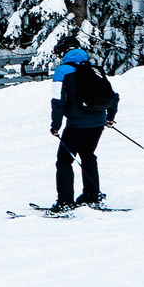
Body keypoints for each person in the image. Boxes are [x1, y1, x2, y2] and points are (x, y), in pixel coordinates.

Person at [50, 46, 120, 209]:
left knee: (64, 161)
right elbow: (113, 96)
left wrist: (55, 126)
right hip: (98, 123)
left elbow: (57, 100)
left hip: (76, 124)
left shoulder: (62, 71)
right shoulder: (94, 69)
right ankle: (92, 194)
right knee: (88, 155)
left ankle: (65, 201)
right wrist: (110, 117)